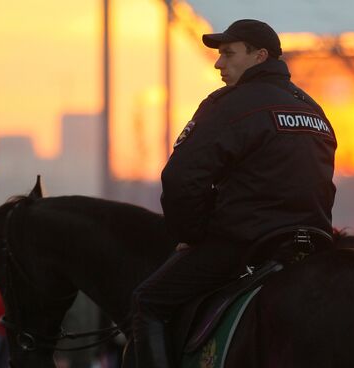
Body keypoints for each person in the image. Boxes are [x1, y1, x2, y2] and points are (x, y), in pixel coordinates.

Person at [131, 19, 336, 367]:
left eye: (228, 53)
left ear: (259, 56)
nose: (218, 63)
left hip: (245, 244)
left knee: (147, 302)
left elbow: (181, 179)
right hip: (313, 243)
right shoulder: (312, 108)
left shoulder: (229, 104)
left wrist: (190, 234)